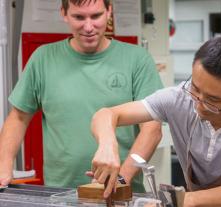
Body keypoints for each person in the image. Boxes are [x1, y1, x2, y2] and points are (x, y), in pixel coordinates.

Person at [90, 37, 221, 206]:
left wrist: (181, 201)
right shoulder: (178, 98)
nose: (199, 105)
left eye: (213, 101)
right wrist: (107, 145)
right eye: (195, 89)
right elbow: (106, 114)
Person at [0, 0, 163, 194]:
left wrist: (121, 180)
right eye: (79, 17)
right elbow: (18, 117)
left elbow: (152, 129)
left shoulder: (137, 59)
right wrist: (4, 166)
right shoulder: (43, 58)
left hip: (122, 194)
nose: (88, 27)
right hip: (59, 193)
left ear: (109, 11)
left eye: (96, 16)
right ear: (64, 13)